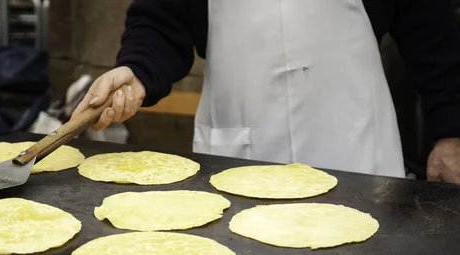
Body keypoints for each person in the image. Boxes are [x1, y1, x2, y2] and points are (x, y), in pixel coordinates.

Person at [72, 0, 460, 183]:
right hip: (243, 155)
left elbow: (432, 25)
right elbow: (160, 19)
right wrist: (137, 71)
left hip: (355, 150)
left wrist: (450, 127)